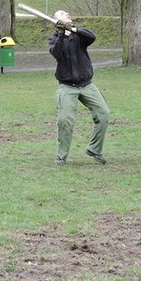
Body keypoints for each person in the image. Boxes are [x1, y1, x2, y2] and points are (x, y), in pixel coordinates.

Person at [48, 10, 110, 166]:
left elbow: (92, 36)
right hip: (67, 87)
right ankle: (61, 156)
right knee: (64, 120)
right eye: (63, 13)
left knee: (104, 113)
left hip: (87, 84)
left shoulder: (79, 35)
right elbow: (56, 53)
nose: (67, 13)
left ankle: (94, 150)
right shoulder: (54, 39)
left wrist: (73, 29)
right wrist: (62, 34)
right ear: (57, 21)